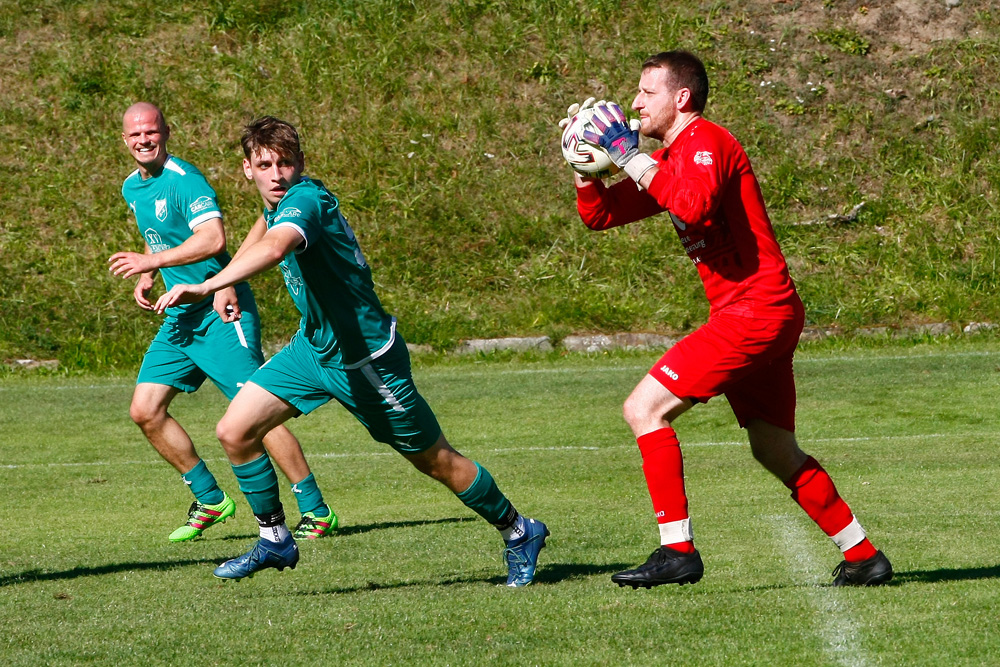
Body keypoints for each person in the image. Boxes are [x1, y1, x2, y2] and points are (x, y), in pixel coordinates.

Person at [152, 116, 548, 585]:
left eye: (286, 163)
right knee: (234, 430)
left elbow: (277, 246)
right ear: (247, 169)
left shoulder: (305, 199)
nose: (276, 174)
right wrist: (229, 283)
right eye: (265, 164)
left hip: (366, 361)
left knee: (435, 460)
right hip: (313, 349)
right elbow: (262, 226)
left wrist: (210, 283)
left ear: (300, 165)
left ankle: (519, 529)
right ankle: (275, 538)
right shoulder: (278, 201)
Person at [563, 51, 892, 588]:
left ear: (681, 98)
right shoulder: (670, 157)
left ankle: (678, 550)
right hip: (759, 312)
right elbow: (601, 215)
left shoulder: (707, 141)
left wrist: (627, 154)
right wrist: (586, 169)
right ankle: (864, 556)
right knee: (772, 447)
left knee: (643, 408)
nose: (635, 102)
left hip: (755, 311)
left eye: (647, 92)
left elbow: (690, 205)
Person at [109, 103, 338, 544]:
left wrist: (162, 263)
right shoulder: (132, 187)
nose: (144, 140)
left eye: (151, 132)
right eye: (135, 135)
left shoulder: (185, 180)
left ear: (166, 133)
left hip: (219, 311)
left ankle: (315, 507)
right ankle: (209, 498)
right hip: (179, 316)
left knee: (254, 412)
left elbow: (213, 238)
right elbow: (161, 235)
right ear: (125, 141)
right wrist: (149, 271)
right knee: (145, 410)